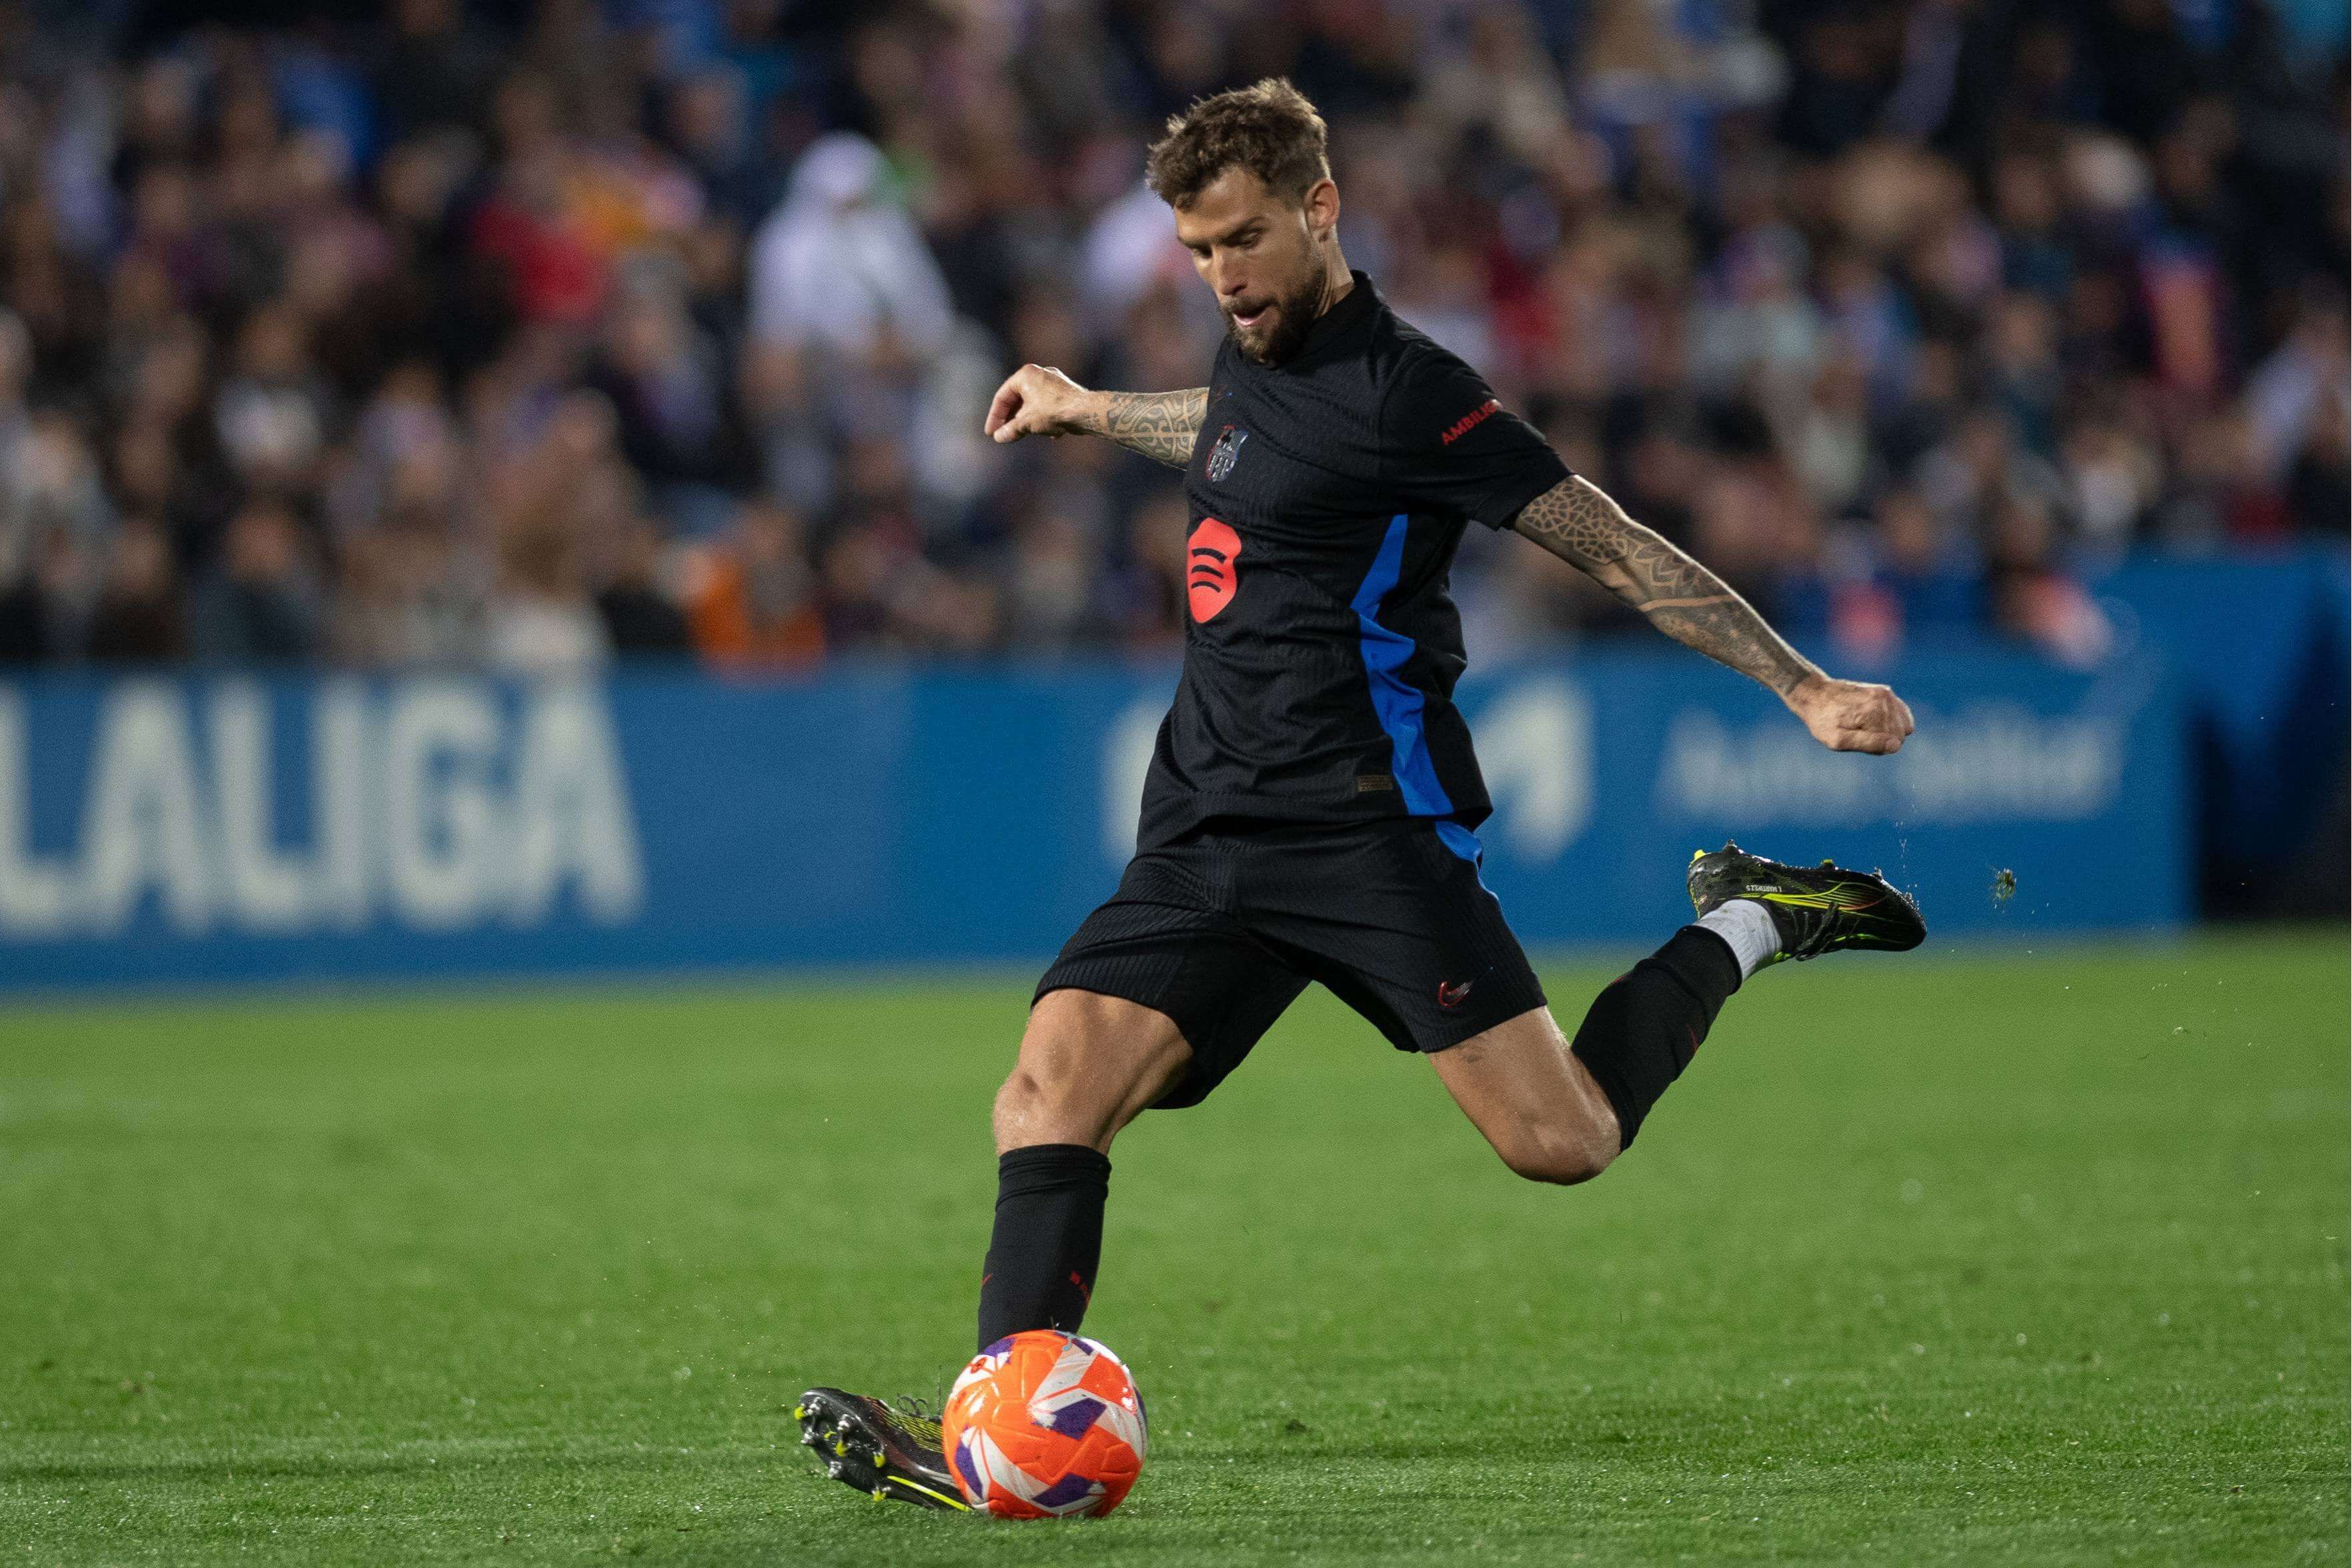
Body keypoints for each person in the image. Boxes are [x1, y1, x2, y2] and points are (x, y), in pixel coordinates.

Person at [797, 80, 1924, 1511]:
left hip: (1364, 830)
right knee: (1043, 1099)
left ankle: (1754, 917)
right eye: (1199, 251)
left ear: (1320, 211)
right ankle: (999, 1439)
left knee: (1560, 1141)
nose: (1224, 276)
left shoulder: (1416, 395)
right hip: (1205, 823)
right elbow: (1231, 434)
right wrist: (1091, 410)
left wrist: (1801, 684)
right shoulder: (1247, 353)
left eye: (1245, 241)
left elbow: (1613, 544)